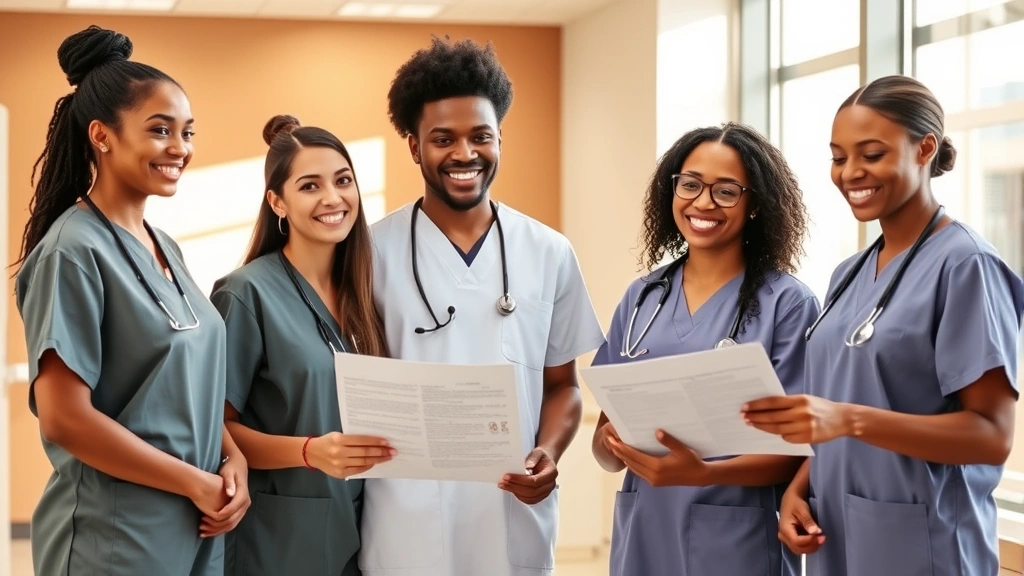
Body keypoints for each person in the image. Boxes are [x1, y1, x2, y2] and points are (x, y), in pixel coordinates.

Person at [743, 75, 1024, 576]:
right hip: (838, 534)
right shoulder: (847, 274)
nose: (850, 172)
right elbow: (842, 407)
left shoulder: (966, 266)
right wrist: (798, 488)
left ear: (925, 149)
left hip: (926, 542)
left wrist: (848, 419)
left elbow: (991, 435)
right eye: (838, 156)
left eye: (871, 155)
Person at [363, 36, 605, 576]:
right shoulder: (370, 253)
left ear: (500, 139)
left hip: (509, 509)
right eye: (442, 138)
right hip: (403, 510)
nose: (464, 154)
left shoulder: (548, 251)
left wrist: (549, 452)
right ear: (413, 145)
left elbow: (561, 384)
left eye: (481, 136)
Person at [13, 25, 249, 576]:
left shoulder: (164, 246)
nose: (180, 149)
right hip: (114, 534)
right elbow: (64, 419)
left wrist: (230, 457)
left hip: (196, 523)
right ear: (102, 135)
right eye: (161, 130)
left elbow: (184, 380)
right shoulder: (72, 251)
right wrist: (194, 480)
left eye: (187, 132)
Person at [589, 123, 819, 576]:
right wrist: (611, 445)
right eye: (690, 185)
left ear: (755, 204)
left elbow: (800, 448)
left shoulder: (789, 304)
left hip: (736, 540)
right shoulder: (642, 297)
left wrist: (707, 473)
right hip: (644, 534)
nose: (703, 202)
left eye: (726, 191)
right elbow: (604, 443)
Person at [210, 115, 394, 576]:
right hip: (280, 540)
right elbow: (214, 429)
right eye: (310, 186)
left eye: (343, 181)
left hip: (362, 531)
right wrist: (310, 451)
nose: (333, 199)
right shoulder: (245, 294)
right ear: (277, 201)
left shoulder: (367, 293)